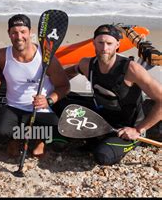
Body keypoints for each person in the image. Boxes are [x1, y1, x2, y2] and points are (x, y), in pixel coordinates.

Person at [65, 24, 162, 165]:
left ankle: (128, 141)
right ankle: (98, 136)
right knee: (60, 101)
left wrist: (139, 130)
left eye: (109, 43)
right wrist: (52, 84)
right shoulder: (87, 64)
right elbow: (70, 72)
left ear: (117, 45)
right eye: (100, 43)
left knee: (102, 156)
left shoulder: (132, 69)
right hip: (102, 117)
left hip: (127, 126)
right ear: (94, 43)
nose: (105, 48)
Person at [0, 14, 70, 157]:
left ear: (30, 33)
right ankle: (17, 138)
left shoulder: (46, 57)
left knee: (58, 140)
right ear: (9, 34)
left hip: (40, 110)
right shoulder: (2, 54)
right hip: (13, 107)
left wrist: (48, 100)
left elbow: (64, 86)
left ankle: (39, 139)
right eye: (14, 32)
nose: (19, 36)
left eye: (23, 32)